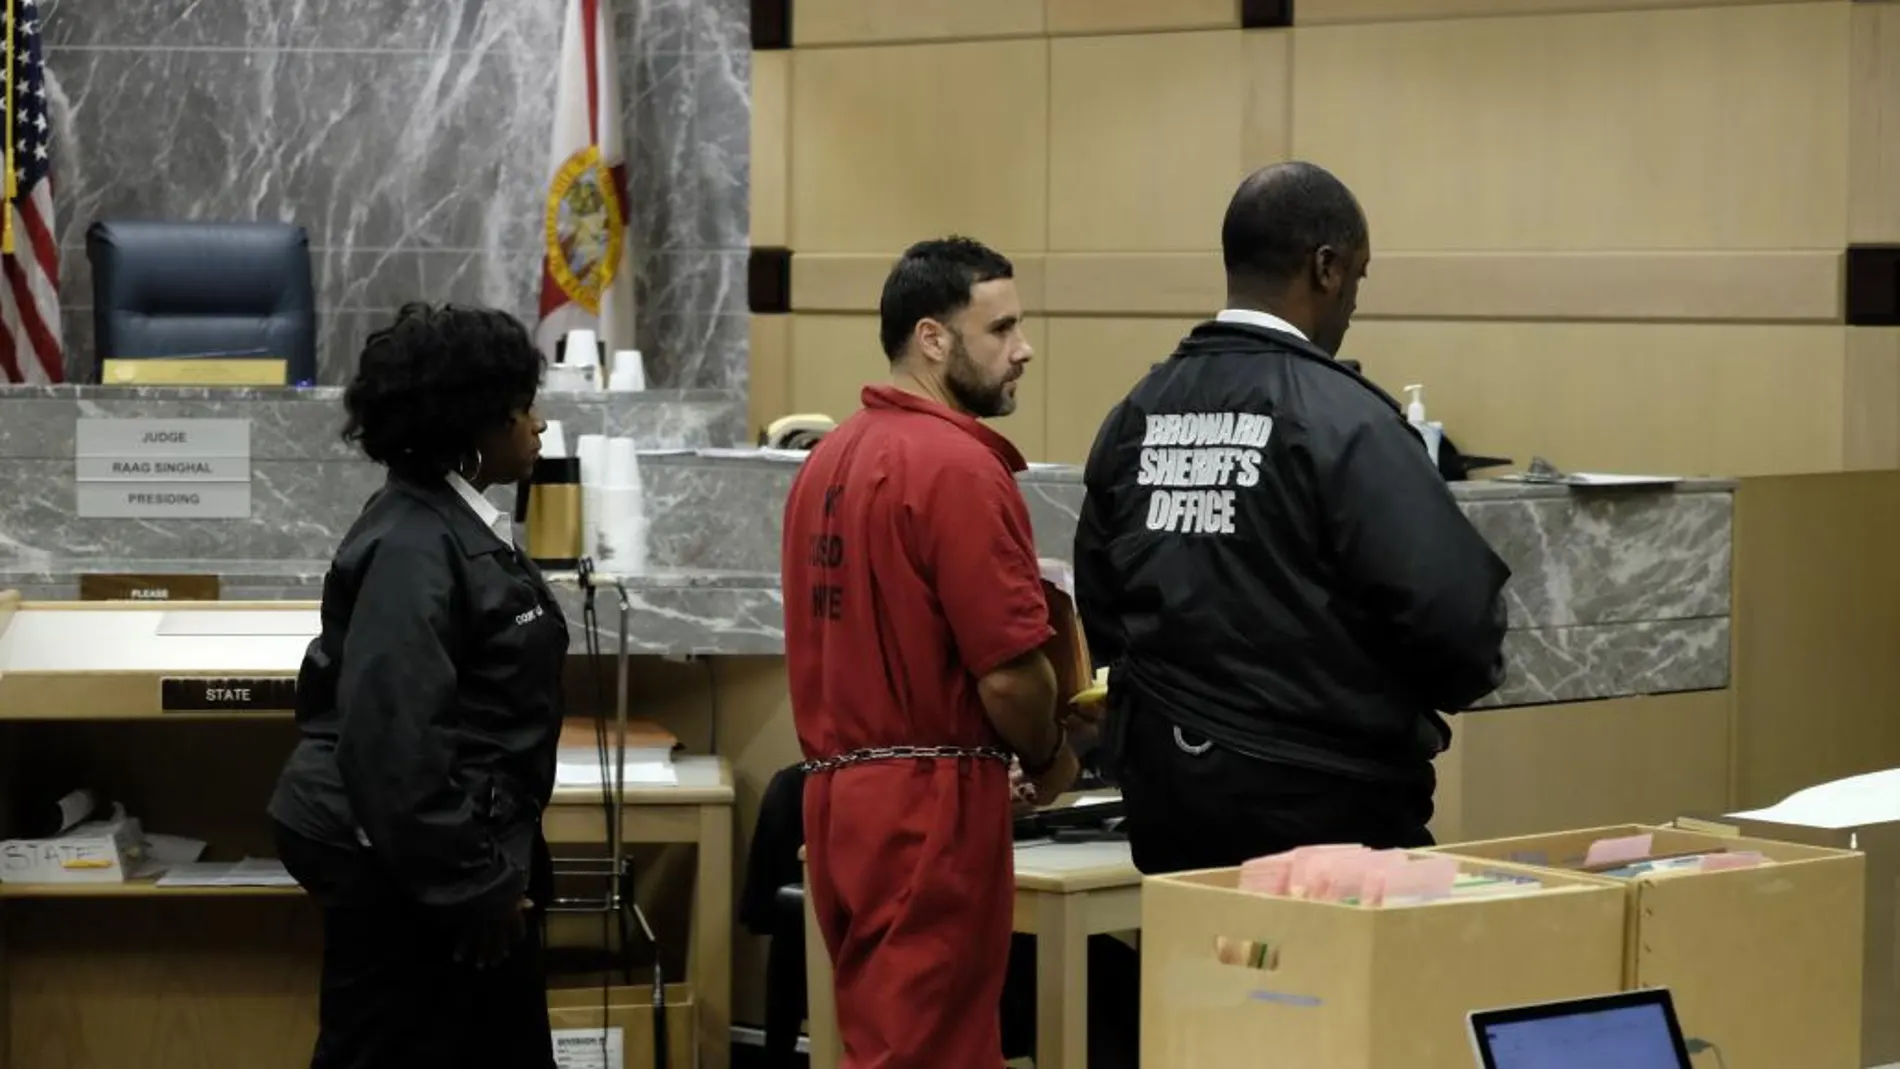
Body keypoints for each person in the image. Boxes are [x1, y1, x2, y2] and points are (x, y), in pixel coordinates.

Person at [1073, 161, 1512, 876]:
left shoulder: (1139, 412)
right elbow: (1455, 619)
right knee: (1323, 990)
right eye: (1359, 279)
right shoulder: (1347, 420)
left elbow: (1101, 600)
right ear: (1326, 266)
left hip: (1169, 804)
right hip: (1329, 803)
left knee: (1205, 982)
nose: (1353, 304)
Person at [782, 236, 1082, 1068]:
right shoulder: (957, 466)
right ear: (934, 338)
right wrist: (1052, 756)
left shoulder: (827, 460)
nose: (1023, 350)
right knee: (933, 1051)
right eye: (1002, 328)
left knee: (880, 1044)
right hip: (929, 809)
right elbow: (1010, 672)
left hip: (838, 801)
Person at [267, 302, 567, 1069]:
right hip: (416, 873)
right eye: (519, 407)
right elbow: (395, 739)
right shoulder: (413, 541)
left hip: (450, 858)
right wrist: (475, 887)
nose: (536, 424)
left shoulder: (449, 523)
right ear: (473, 425)